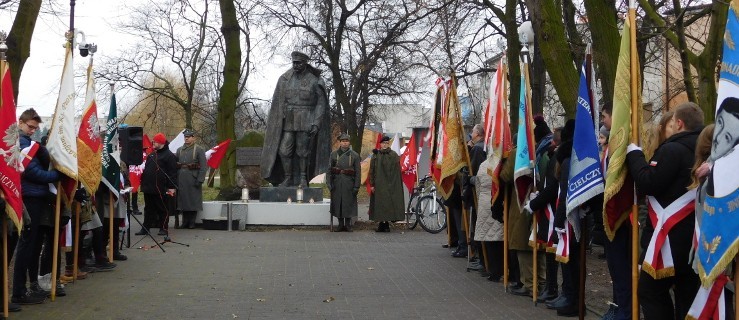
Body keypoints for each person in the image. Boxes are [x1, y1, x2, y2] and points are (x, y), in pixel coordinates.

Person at [625, 102, 704, 320]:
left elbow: (648, 183)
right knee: (687, 297)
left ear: (679, 123)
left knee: (650, 291)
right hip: (694, 237)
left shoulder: (672, 149)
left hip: (668, 237)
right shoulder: (705, 148)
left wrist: (635, 156)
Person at [261, 51, 331, 188]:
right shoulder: (285, 79)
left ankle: (303, 179)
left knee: (302, 151)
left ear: (305, 63)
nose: (296, 65)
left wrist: (316, 123)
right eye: (294, 62)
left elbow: (321, 104)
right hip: (289, 120)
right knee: (284, 150)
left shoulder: (315, 80)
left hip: (306, 120)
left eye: (298, 63)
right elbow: (279, 101)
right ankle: (287, 178)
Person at [13, 108, 60, 305]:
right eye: (30, 127)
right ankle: (19, 291)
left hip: (36, 197)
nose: (33, 130)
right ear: (20, 123)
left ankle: (25, 288)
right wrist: (59, 175)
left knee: (32, 246)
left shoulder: (30, 144)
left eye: (35, 128)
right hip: (29, 197)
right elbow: (34, 173)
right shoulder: (21, 144)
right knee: (26, 245)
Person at [138, 133, 177, 236]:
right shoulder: (152, 154)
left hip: (161, 187)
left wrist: (171, 187)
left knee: (162, 208)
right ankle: (145, 228)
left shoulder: (169, 155)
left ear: (161, 143)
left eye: (155, 141)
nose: (153, 143)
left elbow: (172, 173)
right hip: (148, 187)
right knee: (148, 208)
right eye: (153, 141)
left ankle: (163, 228)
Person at [369, 135, 405, 232]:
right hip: (379, 184)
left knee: (389, 204)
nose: (384, 145)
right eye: (383, 143)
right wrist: (372, 184)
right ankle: (382, 224)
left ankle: (386, 224)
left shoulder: (393, 155)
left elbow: (397, 171)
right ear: (380, 144)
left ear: (388, 144)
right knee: (380, 204)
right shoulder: (376, 155)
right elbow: (372, 170)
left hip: (391, 184)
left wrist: (394, 184)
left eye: (386, 143)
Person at [327, 133, 361, 232]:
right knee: (338, 203)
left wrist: (356, 186)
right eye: (343, 141)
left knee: (348, 203)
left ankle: (348, 224)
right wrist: (329, 183)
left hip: (349, 183)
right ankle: (340, 224)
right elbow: (329, 170)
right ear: (340, 142)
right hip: (337, 182)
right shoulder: (333, 154)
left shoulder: (354, 155)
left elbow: (358, 173)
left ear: (349, 142)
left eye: (346, 141)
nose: (344, 143)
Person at [176, 129, 207, 229]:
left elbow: (203, 166)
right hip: (181, 178)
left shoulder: (199, 150)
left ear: (194, 138)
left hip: (193, 178)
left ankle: (192, 222)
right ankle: (184, 222)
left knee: (193, 200)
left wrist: (200, 179)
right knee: (183, 200)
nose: (186, 138)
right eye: (185, 137)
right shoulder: (179, 150)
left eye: (189, 137)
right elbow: (175, 165)